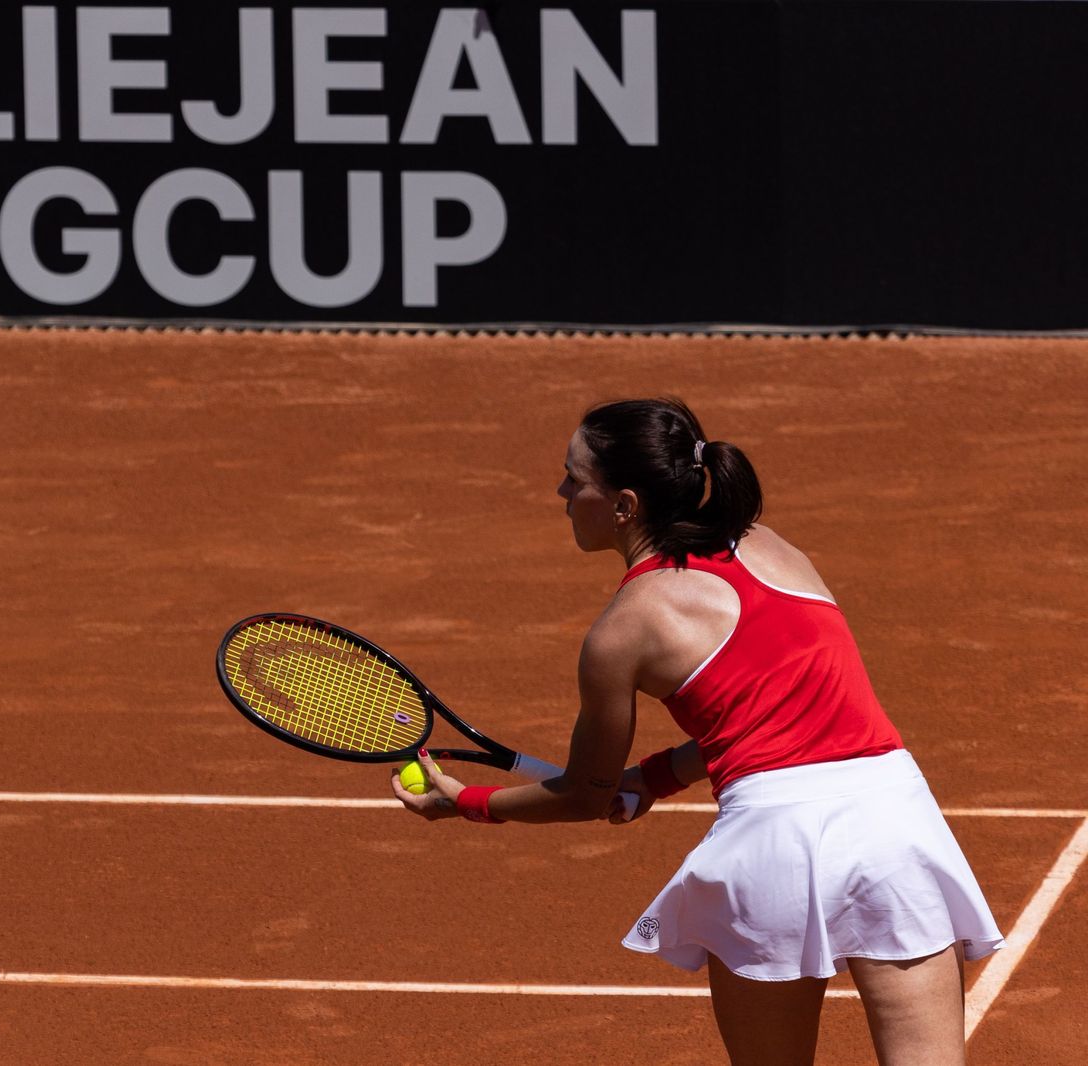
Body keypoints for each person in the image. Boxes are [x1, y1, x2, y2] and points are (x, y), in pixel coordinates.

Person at [391, 397, 1004, 1066]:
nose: (561, 493)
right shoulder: (773, 547)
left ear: (625, 505)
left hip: (770, 845)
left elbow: (584, 796)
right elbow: (781, 718)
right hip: (893, 819)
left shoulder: (622, 631)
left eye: (574, 478)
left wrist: (469, 805)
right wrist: (655, 777)